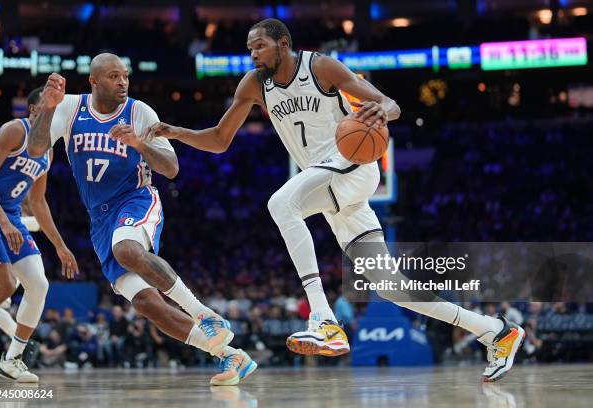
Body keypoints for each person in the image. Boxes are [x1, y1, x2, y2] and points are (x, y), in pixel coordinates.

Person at [144, 19, 525, 382]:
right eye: (249, 49)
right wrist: (177, 132)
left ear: (283, 44)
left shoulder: (321, 67)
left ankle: (324, 320)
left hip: (353, 165)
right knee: (391, 287)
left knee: (281, 204)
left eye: (259, 46)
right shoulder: (254, 85)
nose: (253, 54)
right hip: (330, 184)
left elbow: (389, 103)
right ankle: (496, 331)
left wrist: (383, 111)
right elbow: (220, 139)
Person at [29, 53, 256, 385]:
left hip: (136, 200)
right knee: (148, 304)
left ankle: (204, 314)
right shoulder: (69, 107)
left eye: (125, 76)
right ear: (93, 81)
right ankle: (230, 356)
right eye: (113, 76)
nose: (122, 82)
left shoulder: (139, 111)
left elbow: (171, 167)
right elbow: (35, 150)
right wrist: (48, 107)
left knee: (127, 249)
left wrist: (138, 143)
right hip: (99, 220)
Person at [0, 87, 78, 382]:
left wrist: (60, 246)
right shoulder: (14, 130)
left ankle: (13, 359)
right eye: (51, 108)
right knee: (6, 285)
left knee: (38, 284)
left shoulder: (48, 151)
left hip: (10, 219)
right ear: (35, 110)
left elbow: (37, 202)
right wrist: (4, 222)